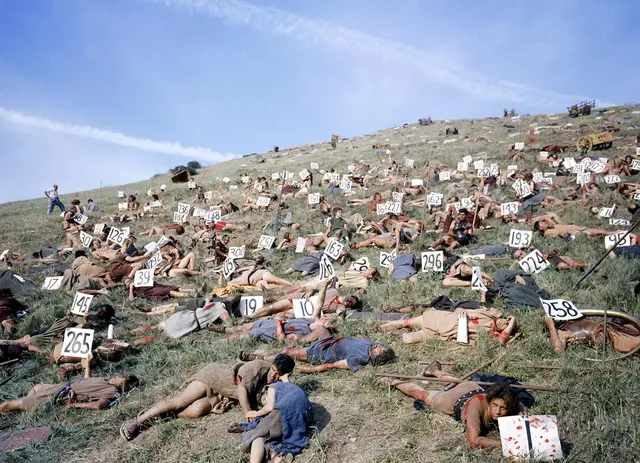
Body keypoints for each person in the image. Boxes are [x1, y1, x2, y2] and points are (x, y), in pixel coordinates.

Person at [119, 354, 296, 441]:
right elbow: (242, 388)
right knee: (181, 401)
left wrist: (284, 381)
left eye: (278, 375)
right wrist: (248, 412)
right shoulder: (258, 367)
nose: (273, 376)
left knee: (196, 411)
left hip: (224, 394)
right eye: (273, 371)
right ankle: (138, 421)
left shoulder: (278, 381)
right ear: (272, 365)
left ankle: (166, 415)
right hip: (213, 378)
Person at [376, 364, 521, 448]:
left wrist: (523, 416)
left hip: (471, 387)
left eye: (503, 408)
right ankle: (392, 381)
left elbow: (520, 409)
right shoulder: (475, 408)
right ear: (489, 401)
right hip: (453, 400)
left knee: (454, 381)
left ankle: (433, 370)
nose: (498, 411)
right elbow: (474, 440)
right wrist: (504, 444)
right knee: (423, 395)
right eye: (495, 405)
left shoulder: (510, 404)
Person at [0, 357, 138, 413]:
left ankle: (25, 405)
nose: (117, 376)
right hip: (60, 386)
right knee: (36, 387)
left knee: (6, 404)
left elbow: (99, 405)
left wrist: (73, 405)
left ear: (123, 382)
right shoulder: (106, 380)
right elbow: (87, 381)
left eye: (120, 377)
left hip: (59, 394)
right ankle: (26, 408)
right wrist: (87, 366)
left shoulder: (112, 391)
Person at [244, 336, 395, 373]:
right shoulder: (374, 344)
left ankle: (260, 358)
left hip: (321, 352)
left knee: (288, 353)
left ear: (376, 356)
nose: (380, 346)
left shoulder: (357, 359)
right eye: (381, 347)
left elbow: (332, 365)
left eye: (380, 350)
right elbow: (361, 339)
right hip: (329, 340)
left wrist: (311, 369)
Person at [379, 307, 516, 344]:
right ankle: (379, 328)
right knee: (407, 322)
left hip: (442, 333)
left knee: (408, 339)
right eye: (506, 319)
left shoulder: (491, 333)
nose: (504, 322)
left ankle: (395, 334)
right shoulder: (486, 313)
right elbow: (460, 308)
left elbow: (501, 340)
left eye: (506, 324)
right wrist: (459, 310)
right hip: (441, 318)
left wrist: (512, 322)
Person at [544, 314, 640, 353]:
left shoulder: (572, 318)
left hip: (612, 328)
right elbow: (558, 349)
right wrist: (550, 325)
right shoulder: (561, 332)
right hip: (612, 338)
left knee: (633, 323)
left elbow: (567, 298)